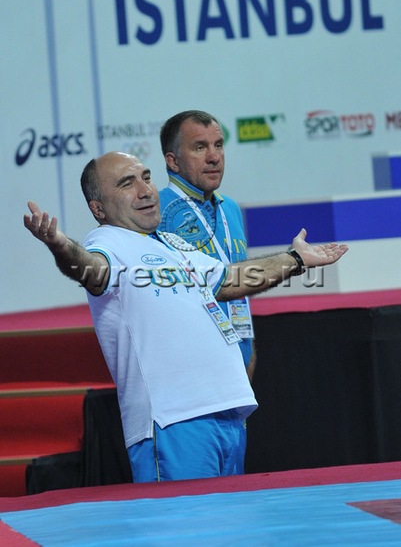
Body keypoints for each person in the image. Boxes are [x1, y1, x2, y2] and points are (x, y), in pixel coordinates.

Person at [23, 152, 348, 483]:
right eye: (126, 184)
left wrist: (295, 259)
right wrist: (60, 245)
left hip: (227, 415)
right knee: (185, 519)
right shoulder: (107, 242)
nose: (146, 190)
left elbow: (231, 279)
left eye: (146, 177)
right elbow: (91, 269)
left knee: (230, 518)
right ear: (99, 209)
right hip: (174, 422)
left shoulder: (172, 243)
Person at [159, 110, 257, 381]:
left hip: (238, 368)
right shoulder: (154, 212)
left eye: (219, 145)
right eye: (199, 147)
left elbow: (240, 292)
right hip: (190, 373)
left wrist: (248, 355)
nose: (214, 157)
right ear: (173, 161)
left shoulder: (230, 208)